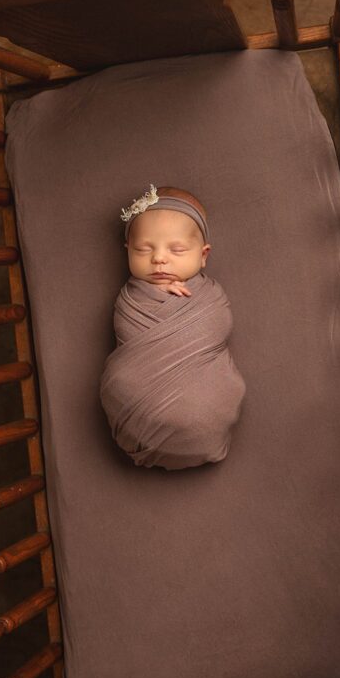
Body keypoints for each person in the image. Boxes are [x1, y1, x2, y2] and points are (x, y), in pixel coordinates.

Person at [100, 185, 246, 469]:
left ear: (203, 255)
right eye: (144, 249)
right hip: (133, 406)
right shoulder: (130, 299)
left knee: (210, 401)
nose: (159, 259)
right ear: (128, 250)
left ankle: (203, 430)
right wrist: (153, 295)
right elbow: (125, 327)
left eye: (177, 249)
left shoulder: (210, 297)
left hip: (205, 409)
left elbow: (218, 323)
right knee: (124, 382)